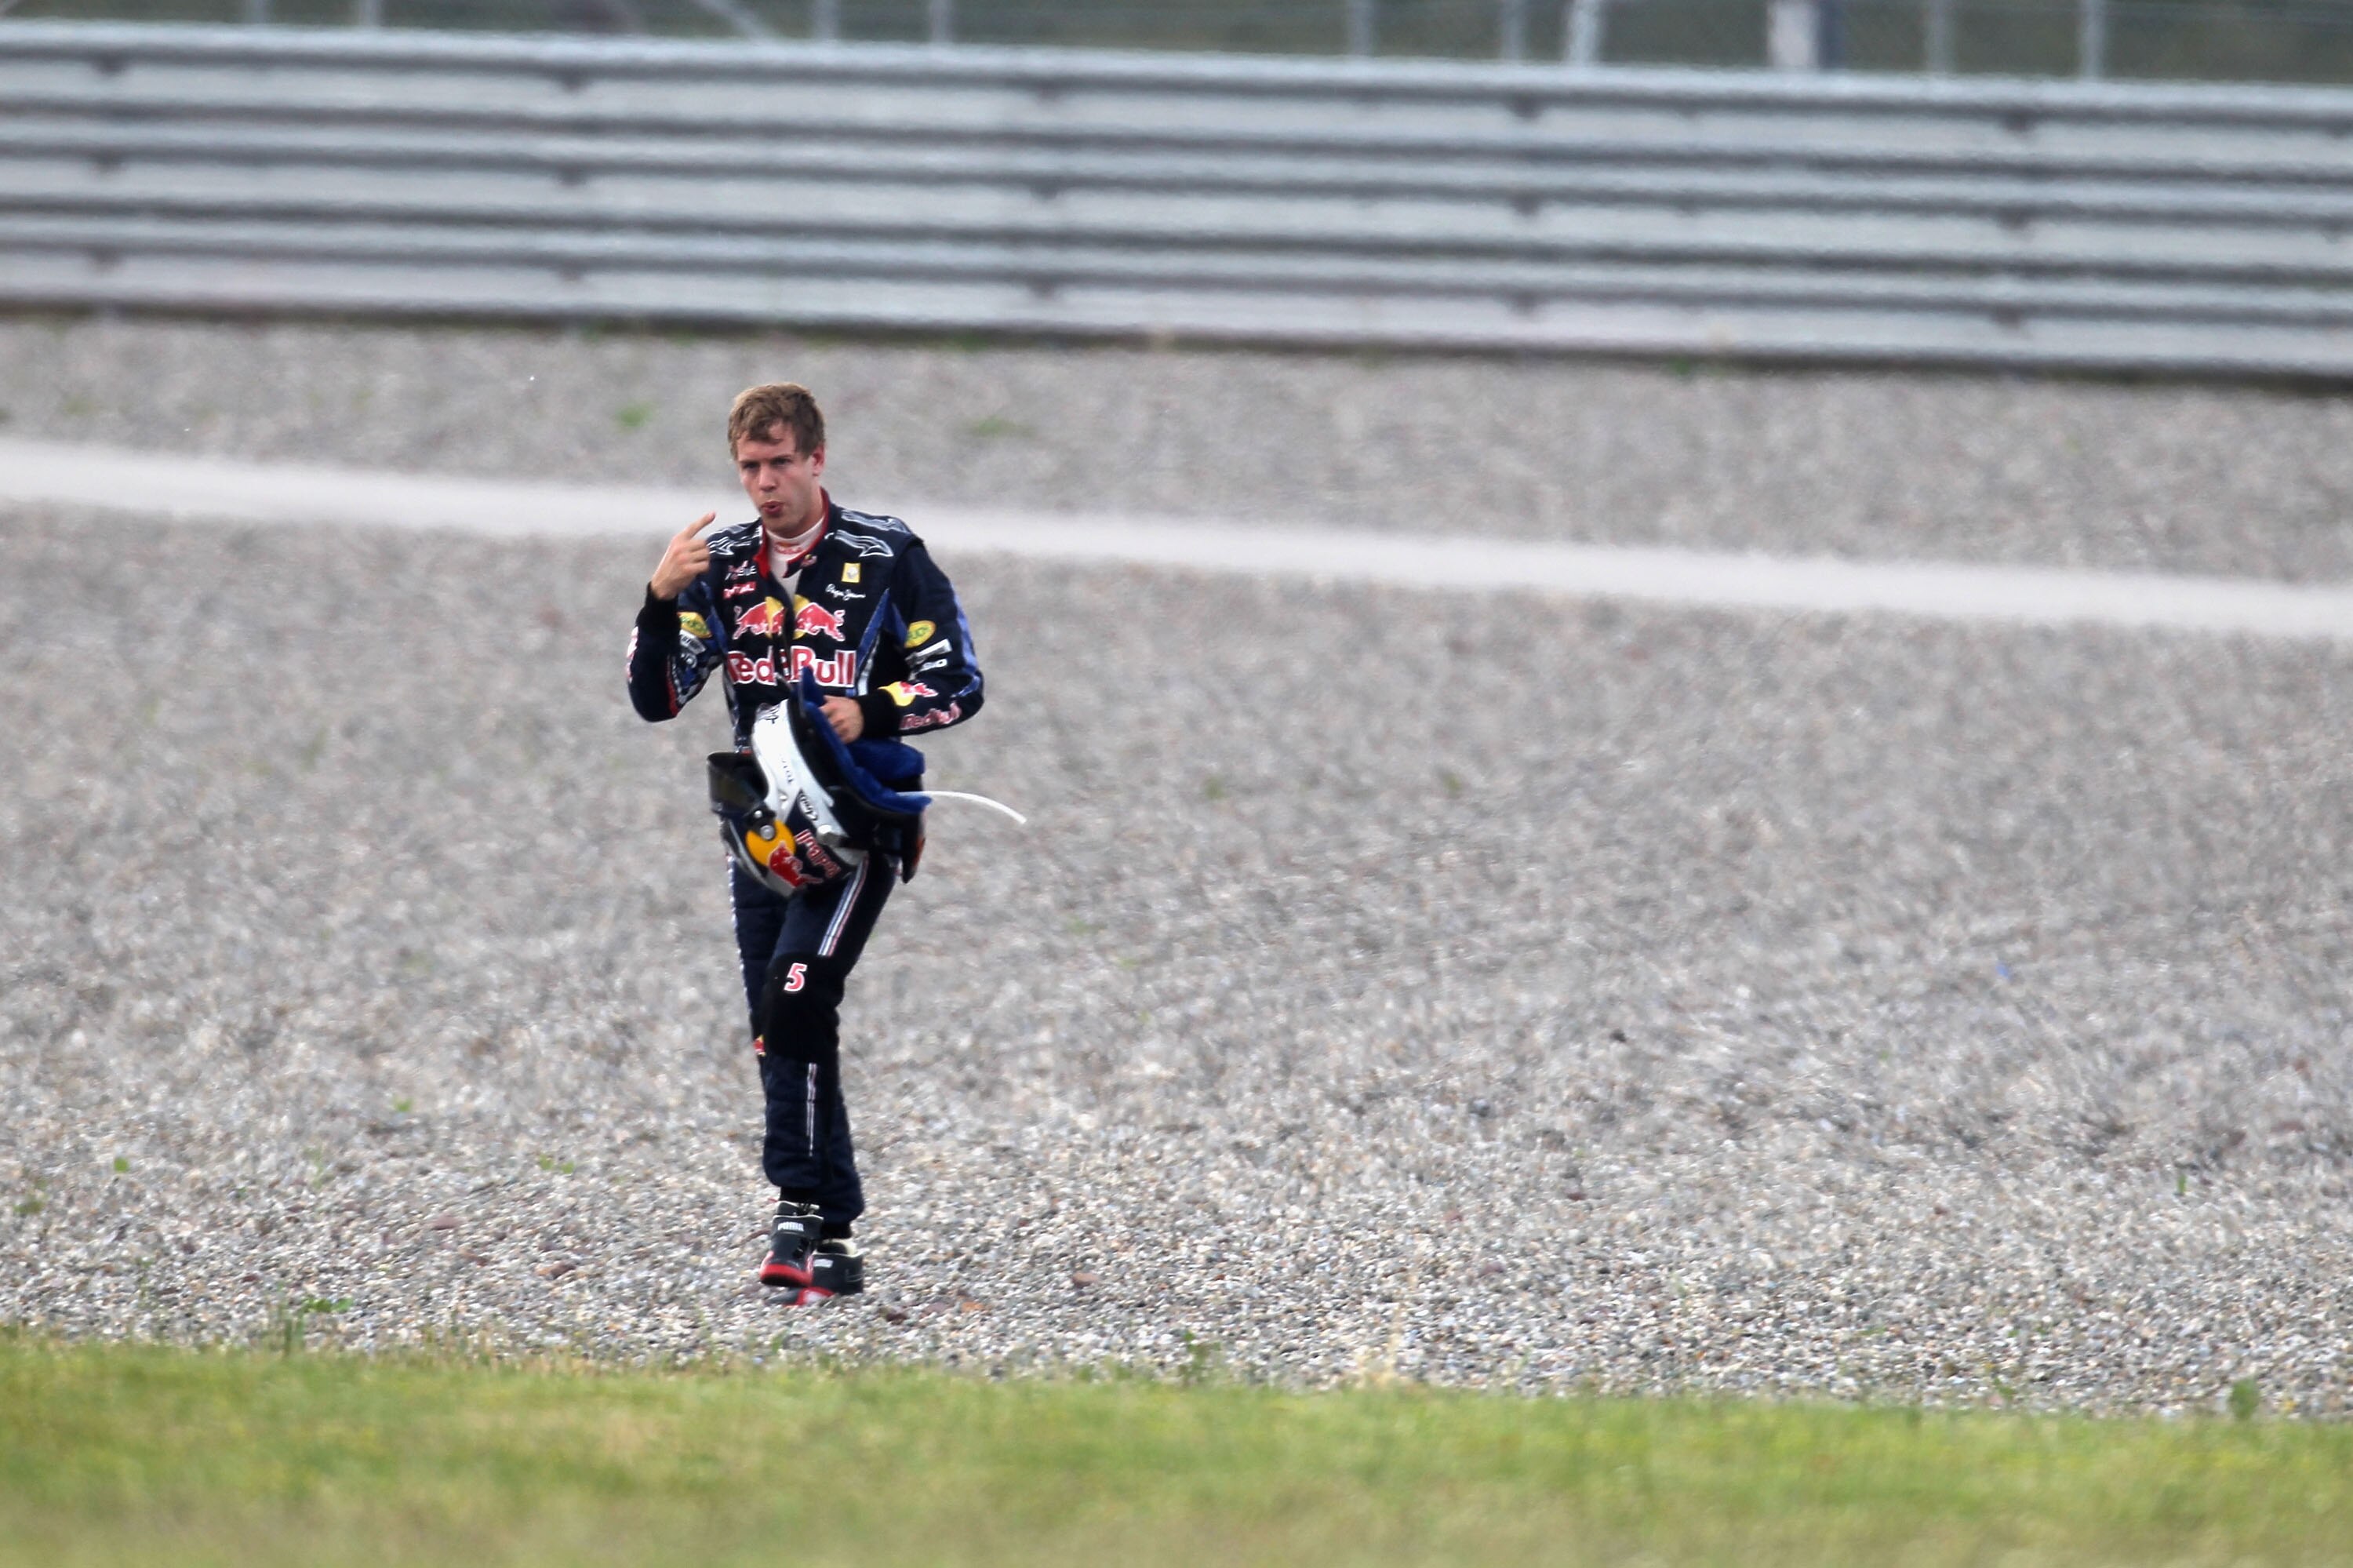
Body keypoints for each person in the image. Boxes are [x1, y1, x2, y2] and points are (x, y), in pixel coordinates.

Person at [626, 382, 984, 1304]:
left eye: (781, 463)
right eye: (750, 467)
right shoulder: (719, 567)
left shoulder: (886, 553)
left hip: (859, 828)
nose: (765, 483)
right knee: (779, 1022)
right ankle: (836, 1231)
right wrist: (659, 600)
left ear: (816, 459)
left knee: (797, 988)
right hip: (760, 837)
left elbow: (959, 678)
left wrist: (874, 710)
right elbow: (657, 697)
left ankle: (793, 1208)